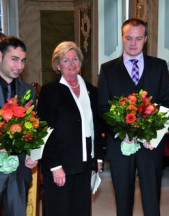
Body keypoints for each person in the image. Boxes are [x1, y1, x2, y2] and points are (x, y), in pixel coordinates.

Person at [97, 18, 169, 216]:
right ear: (122, 38)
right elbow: (103, 107)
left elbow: (167, 104)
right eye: (128, 38)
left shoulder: (159, 66)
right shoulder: (107, 69)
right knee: (123, 200)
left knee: (152, 200)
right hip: (120, 146)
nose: (133, 43)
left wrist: (152, 134)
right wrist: (121, 132)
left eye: (138, 38)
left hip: (150, 146)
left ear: (145, 39)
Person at [37, 41, 103, 216]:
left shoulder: (91, 90)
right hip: (61, 164)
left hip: (85, 162)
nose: (72, 64)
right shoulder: (50, 91)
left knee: (81, 210)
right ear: (57, 65)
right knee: (59, 210)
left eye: (75, 59)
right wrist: (54, 166)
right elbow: (45, 131)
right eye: (66, 60)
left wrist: (98, 158)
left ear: (80, 63)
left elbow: (95, 125)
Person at [0, 36, 38, 216]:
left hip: (18, 169)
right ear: (0, 56)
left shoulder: (27, 91)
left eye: (23, 60)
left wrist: (33, 154)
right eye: (14, 59)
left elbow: (34, 128)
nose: (19, 66)